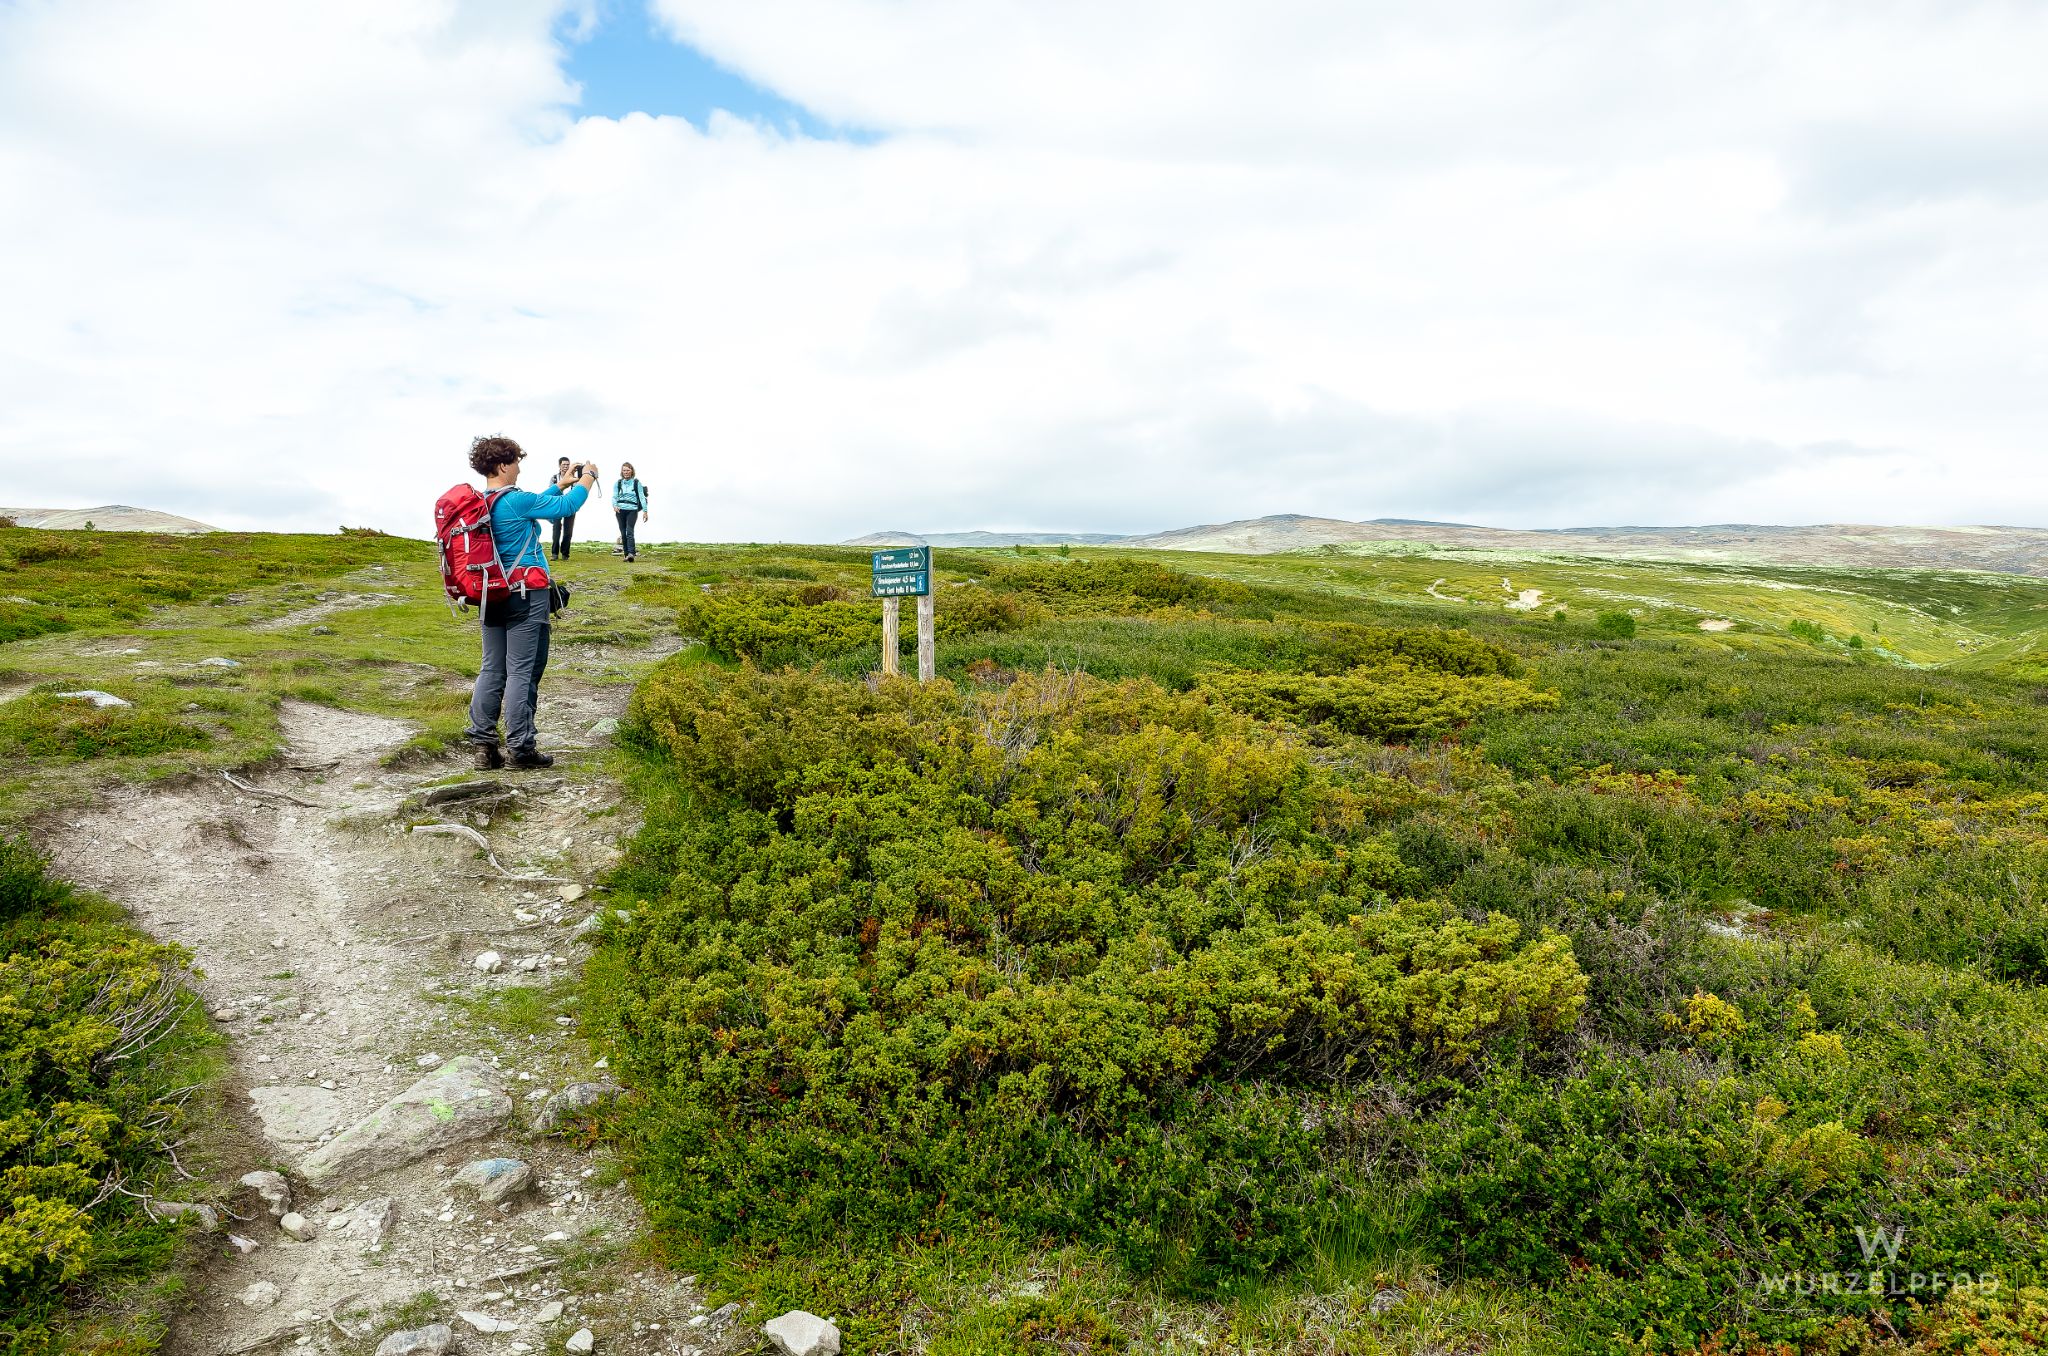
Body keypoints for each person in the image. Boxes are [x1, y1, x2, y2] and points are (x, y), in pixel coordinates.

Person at [463, 435, 599, 771]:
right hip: (526, 595)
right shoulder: (515, 500)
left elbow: (536, 503)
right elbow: (565, 509)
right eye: (516, 462)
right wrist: (588, 478)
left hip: (489, 594)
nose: (519, 468)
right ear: (503, 465)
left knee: (492, 668)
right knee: (523, 671)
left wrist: (559, 485)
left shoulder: (482, 503)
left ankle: (484, 747)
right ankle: (522, 749)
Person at [612, 462, 650, 561]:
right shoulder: (618, 483)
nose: (626, 472)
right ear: (622, 471)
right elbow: (614, 496)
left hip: (632, 510)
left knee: (629, 531)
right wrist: (614, 506)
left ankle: (631, 553)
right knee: (623, 533)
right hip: (620, 510)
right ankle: (626, 555)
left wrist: (645, 511)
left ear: (631, 471)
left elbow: (642, 497)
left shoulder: (637, 483)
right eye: (624, 470)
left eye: (628, 470)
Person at [549, 456, 580, 559]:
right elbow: (551, 492)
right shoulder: (554, 478)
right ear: (559, 466)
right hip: (557, 505)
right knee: (556, 529)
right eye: (564, 465)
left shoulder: (575, 479)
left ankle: (565, 553)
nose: (566, 467)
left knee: (568, 531)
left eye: (567, 465)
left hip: (570, 506)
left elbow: (577, 493)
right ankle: (554, 553)